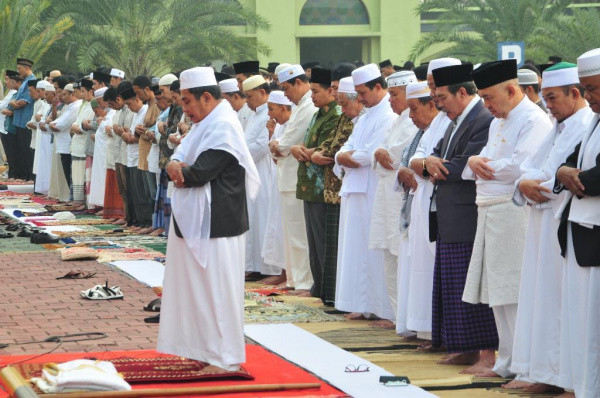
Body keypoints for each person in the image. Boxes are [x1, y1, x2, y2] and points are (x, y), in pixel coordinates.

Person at [157, 66, 260, 373]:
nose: (184, 110)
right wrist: (177, 167)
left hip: (219, 221)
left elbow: (196, 172)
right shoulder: (204, 123)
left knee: (218, 292)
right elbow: (176, 160)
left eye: (187, 102)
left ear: (206, 97)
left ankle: (225, 359)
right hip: (197, 220)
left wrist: (179, 169)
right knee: (196, 290)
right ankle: (203, 349)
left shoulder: (224, 125)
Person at [463, 59, 553, 380]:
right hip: (490, 210)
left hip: (513, 212)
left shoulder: (533, 120)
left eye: (488, 97)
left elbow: (519, 169)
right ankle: (507, 362)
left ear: (511, 90)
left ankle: (524, 367)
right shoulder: (496, 121)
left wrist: (483, 167)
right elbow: (480, 167)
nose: (485, 105)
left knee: (515, 292)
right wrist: (475, 160)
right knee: (498, 294)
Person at [510, 62, 592, 394]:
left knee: (563, 304)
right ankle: (546, 372)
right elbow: (530, 167)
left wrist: (533, 185)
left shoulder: (585, 124)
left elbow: (571, 176)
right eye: (545, 98)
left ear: (575, 93)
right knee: (541, 299)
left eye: (554, 98)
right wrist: (523, 183)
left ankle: (566, 379)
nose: (549, 106)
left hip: (564, 225)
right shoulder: (557, 125)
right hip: (541, 225)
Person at [412, 61, 497, 373]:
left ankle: (483, 354)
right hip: (450, 216)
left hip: (469, 216)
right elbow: (425, 158)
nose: (440, 106)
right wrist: (429, 163)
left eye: (442, 99)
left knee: (472, 288)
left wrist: (434, 166)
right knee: (453, 286)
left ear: (462, 92)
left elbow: (465, 165)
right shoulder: (455, 119)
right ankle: (463, 347)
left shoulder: (483, 118)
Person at [553, 47, 600, 398]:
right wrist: (565, 172)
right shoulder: (593, 121)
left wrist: (573, 176)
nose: (589, 97)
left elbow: (592, 180)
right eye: (585, 90)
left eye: (594, 88)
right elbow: (566, 166)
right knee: (582, 324)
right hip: (579, 232)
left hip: (595, 237)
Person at [334, 63, 395, 321]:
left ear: (378, 87)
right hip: (354, 189)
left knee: (373, 250)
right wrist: (343, 156)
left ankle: (383, 308)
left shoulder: (388, 114)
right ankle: (363, 303)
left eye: (362, 93)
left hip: (372, 189)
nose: (359, 99)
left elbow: (369, 154)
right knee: (356, 249)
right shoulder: (367, 114)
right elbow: (346, 148)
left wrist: (346, 157)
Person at [369, 70, 418, 326]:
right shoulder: (398, 120)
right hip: (385, 195)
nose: (390, 100)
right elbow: (382, 156)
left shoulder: (414, 120)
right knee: (389, 254)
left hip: (400, 197)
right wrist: (380, 152)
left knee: (401, 254)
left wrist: (381, 152)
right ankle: (397, 316)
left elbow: (394, 157)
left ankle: (406, 320)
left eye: (394, 95)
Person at [312, 76, 362, 306]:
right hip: (335, 190)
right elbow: (332, 144)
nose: (341, 108)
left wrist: (329, 156)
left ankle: (341, 300)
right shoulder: (346, 117)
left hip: (347, 190)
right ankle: (332, 297)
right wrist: (321, 153)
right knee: (334, 248)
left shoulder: (359, 120)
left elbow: (339, 150)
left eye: (344, 103)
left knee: (346, 249)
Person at [291, 67, 340, 298]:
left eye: (316, 91)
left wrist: (305, 151)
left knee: (323, 241)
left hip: (324, 188)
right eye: (311, 91)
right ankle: (317, 286)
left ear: (331, 91)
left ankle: (324, 289)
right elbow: (310, 144)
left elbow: (326, 147)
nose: (312, 96)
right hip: (309, 186)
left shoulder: (335, 115)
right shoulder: (318, 114)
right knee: (313, 240)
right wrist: (300, 149)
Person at [395, 81, 438, 342]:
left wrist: (409, 171)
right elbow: (405, 163)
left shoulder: (438, 129)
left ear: (431, 105)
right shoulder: (421, 132)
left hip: (431, 208)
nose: (410, 116)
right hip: (414, 207)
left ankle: (429, 329)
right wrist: (404, 172)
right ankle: (416, 325)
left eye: (414, 109)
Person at [269, 65, 316, 293]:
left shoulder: (308, 105)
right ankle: (294, 279)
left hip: (297, 178)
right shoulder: (300, 106)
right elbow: (283, 143)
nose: (285, 94)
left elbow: (287, 142)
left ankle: (304, 281)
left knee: (299, 233)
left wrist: (278, 145)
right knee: (291, 234)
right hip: (287, 176)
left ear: (299, 82)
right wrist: (279, 145)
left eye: (286, 88)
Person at [241, 75, 281, 278]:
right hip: (251, 171)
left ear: (263, 93)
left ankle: (267, 268)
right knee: (252, 218)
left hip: (264, 172)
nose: (247, 101)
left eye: (250, 96)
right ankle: (253, 265)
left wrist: (241, 156)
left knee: (264, 218)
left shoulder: (270, 114)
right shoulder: (254, 114)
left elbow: (262, 145)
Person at [261, 90, 293, 284]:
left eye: (272, 109)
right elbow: (274, 152)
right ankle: (282, 272)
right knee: (277, 226)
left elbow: (281, 150)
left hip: (289, 182)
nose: (269, 114)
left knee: (286, 230)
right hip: (278, 180)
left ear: (283, 108)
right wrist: (272, 135)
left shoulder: (293, 124)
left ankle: (287, 274)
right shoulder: (281, 126)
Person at [133, 76, 160, 234]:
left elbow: (158, 127)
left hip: (152, 152)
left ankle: (154, 223)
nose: (138, 96)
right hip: (144, 152)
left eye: (139, 92)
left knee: (153, 192)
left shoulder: (157, 105)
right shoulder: (148, 105)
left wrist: (146, 130)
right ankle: (151, 222)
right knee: (148, 191)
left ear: (147, 89)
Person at [49, 84, 82, 193]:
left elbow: (60, 125)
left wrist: (52, 125)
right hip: (63, 144)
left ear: (72, 94)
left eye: (65, 94)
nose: (62, 97)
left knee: (70, 173)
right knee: (67, 172)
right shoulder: (68, 106)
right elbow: (56, 122)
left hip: (68, 145)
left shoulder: (76, 106)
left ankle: (72, 198)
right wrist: (52, 125)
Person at [88, 87, 116, 209]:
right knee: (100, 178)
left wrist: (100, 122)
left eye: (101, 102)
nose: (101, 105)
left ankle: (106, 205)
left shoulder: (113, 112)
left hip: (107, 152)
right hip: (101, 152)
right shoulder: (109, 113)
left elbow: (109, 128)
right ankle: (101, 204)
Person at [70, 79, 95, 204]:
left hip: (84, 145)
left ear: (91, 92)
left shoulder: (92, 106)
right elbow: (77, 123)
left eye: (83, 91)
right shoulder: (83, 104)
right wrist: (76, 127)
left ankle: (81, 201)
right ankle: (77, 200)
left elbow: (83, 127)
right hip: (77, 145)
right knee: (76, 175)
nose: (81, 94)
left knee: (83, 176)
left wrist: (76, 127)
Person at [11, 58, 36, 180]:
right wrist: (13, 103)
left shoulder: (31, 81)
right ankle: (25, 176)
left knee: (27, 150)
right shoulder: (25, 81)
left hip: (26, 120)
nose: (18, 71)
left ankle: (29, 176)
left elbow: (23, 102)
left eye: (19, 69)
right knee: (22, 150)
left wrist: (14, 103)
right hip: (19, 120)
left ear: (27, 68)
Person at [31, 81, 54, 195]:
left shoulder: (49, 106)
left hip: (49, 138)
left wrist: (42, 121)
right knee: (42, 165)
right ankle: (42, 189)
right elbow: (37, 118)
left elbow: (43, 119)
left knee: (47, 166)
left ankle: (47, 190)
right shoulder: (45, 105)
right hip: (42, 137)